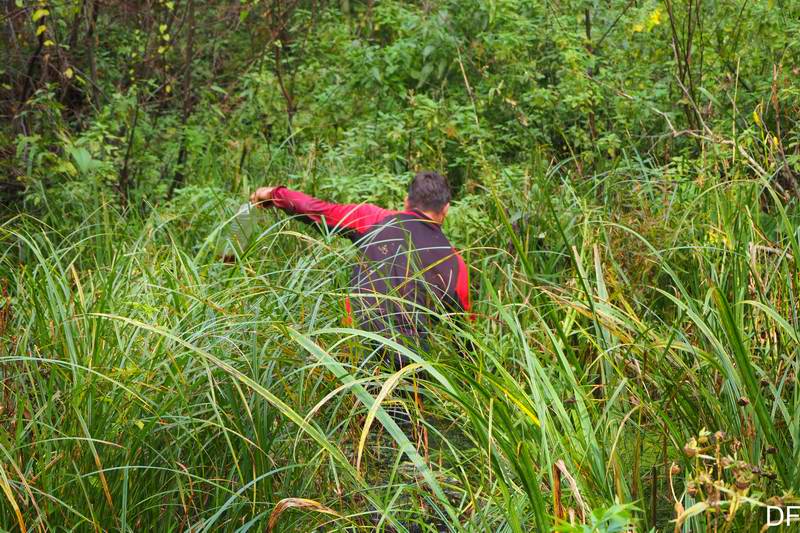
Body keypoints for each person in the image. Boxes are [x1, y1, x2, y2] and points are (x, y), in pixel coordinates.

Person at [249, 171, 472, 364]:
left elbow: (316, 210)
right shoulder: (455, 263)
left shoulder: (372, 219)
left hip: (355, 347)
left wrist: (274, 194)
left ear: (406, 201)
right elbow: (464, 335)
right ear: (446, 209)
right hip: (411, 362)